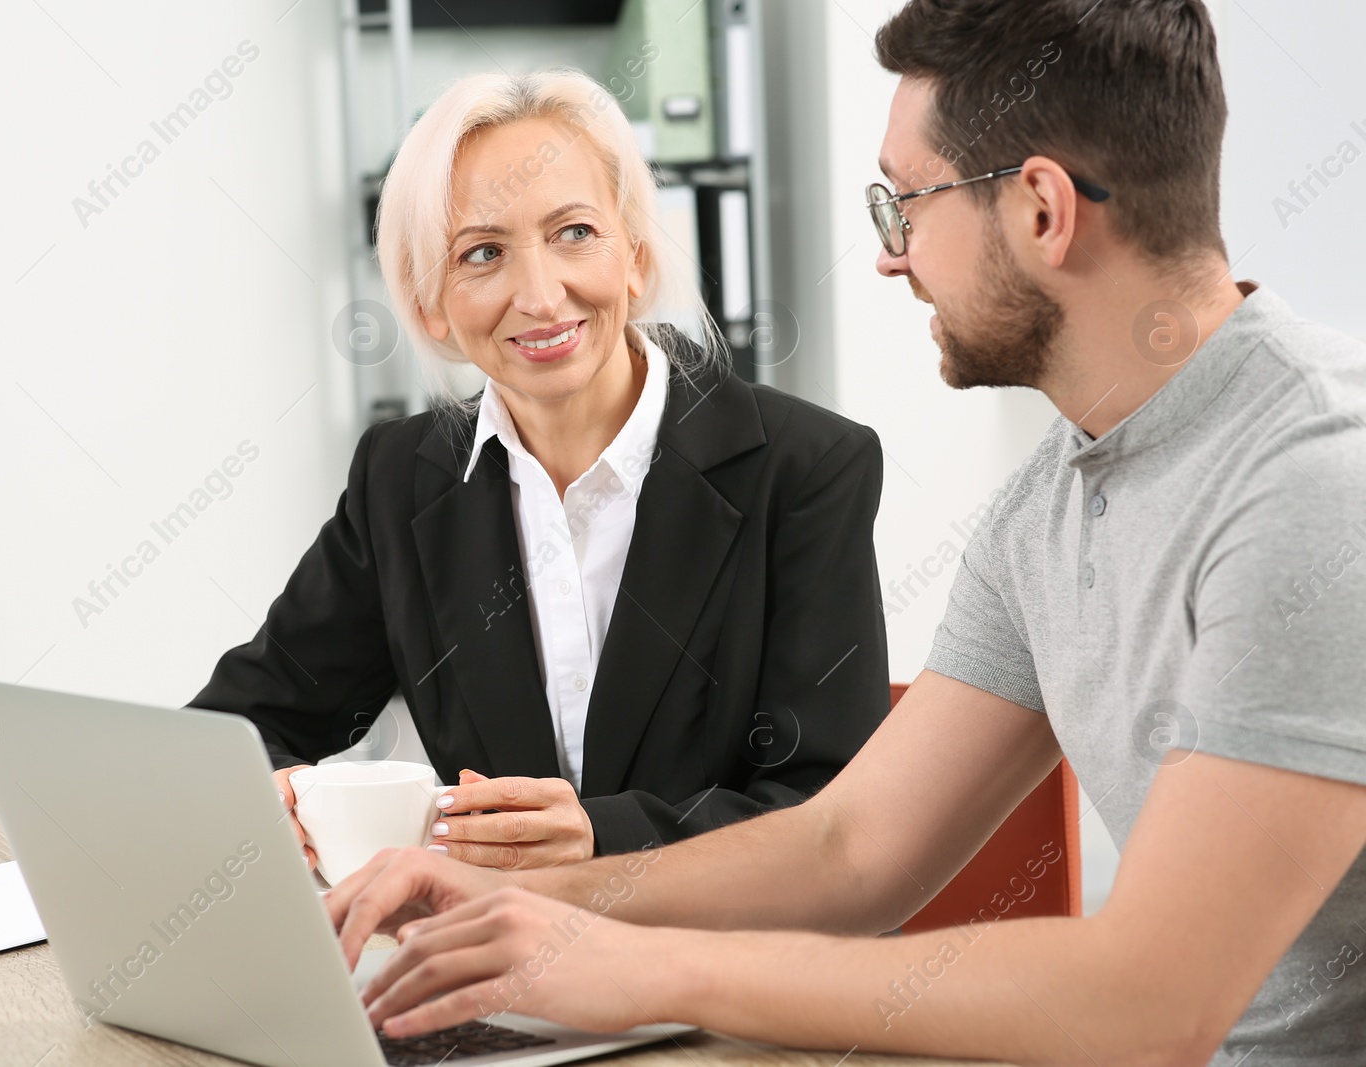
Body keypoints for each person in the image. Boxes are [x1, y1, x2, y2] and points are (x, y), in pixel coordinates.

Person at [323, 2, 1366, 1063]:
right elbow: (850, 847)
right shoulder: (1047, 506)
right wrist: (513, 895)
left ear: (1042, 211)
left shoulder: (1317, 479)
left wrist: (637, 963)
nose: (890, 257)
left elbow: (1146, 1001)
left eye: (903, 204)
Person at [190, 68, 891, 871]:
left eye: (575, 233)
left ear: (632, 254)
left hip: (720, 976)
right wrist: (278, 794)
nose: (540, 294)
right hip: (497, 976)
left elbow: (835, 813)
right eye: (483, 253)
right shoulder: (402, 479)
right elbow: (241, 724)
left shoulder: (807, 469)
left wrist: (609, 838)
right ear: (430, 307)